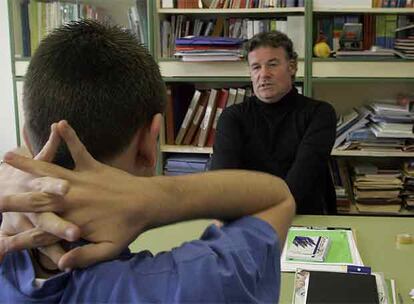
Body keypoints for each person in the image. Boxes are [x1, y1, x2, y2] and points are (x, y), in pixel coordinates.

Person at [0, 20, 295, 302]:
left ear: (26, 138)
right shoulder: (189, 285)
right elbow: (276, 198)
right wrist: (155, 197)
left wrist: (10, 172)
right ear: (150, 141)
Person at [210, 31, 337, 215]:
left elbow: (300, 184)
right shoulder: (232, 118)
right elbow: (222, 184)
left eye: (272, 64)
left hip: (303, 219)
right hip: (248, 220)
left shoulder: (319, 114)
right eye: (256, 67)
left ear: (292, 67)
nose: (264, 74)